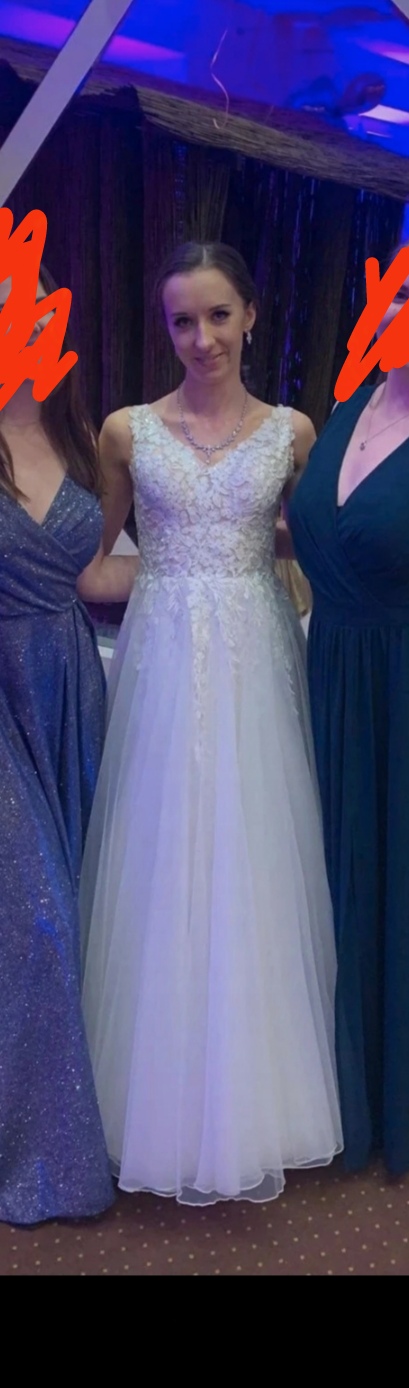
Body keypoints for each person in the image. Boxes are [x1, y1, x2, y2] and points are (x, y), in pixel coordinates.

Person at [80, 241, 342, 1206]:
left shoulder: (292, 434)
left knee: (253, 861)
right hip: (160, 669)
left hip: (256, 670)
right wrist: (162, 577)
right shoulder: (126, 431)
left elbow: (317, 544)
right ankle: (148, 1103)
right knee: (158, 864)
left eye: (217, 315)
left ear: (251, 315)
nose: (201, 338)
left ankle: (258, 1105)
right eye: (182, 321)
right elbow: (94, 560)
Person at [0, 264, 137, 1225]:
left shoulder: (77, 430)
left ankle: (108, 1123)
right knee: (38, 919)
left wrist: (213, 555)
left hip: (71, 690)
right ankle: (45, 1158)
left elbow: (90, 576)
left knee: (93, 912)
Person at [289, 242, 409, 1177]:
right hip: (324, 675)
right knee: (327, 879)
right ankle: (331, 1097)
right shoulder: (346, 407)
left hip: (397, 689)